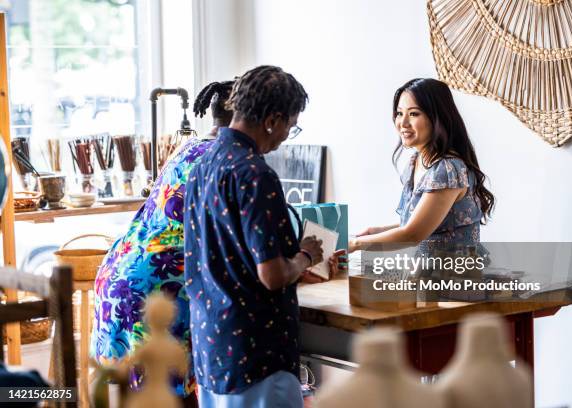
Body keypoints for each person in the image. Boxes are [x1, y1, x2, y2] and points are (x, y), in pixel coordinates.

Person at [184, 65, 346, 408]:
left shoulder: (202, 166)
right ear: (272, 119)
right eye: (290, 124)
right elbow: (271, 276)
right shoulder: (256, 174)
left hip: (212, 346)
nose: (287, 134)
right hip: (256, 354)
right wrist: (306, 256)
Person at [91, 80, 235, 405]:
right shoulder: (227, 160)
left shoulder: (189, 148)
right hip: (160, 290)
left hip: (123, 276)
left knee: (134, 396)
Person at [349, 78, 494, 252]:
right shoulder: (416, 162)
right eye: (399, 113)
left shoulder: (448, 169)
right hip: (429, 273)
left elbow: (412, 234)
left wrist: (355, 245)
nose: (402, 123)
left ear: (437, 117)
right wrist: (374, 232)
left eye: (414, 114)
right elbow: (422, 223)